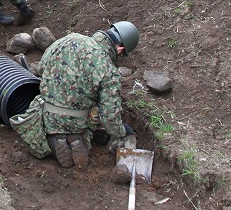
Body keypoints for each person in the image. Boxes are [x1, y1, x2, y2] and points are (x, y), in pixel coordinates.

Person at [13, 21, 139, 169]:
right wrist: (121, 131)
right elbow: (109, 115)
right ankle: (76, 138)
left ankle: (56, 137)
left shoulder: (68, 39)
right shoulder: (109, 70)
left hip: (48, 113)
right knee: (97, 107)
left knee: (48, 98)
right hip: (79, 121)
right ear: (120, 49)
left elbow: (41, 68)